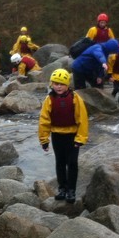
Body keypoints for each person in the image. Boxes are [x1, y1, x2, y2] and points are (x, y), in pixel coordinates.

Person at [38, 68, 89, 204]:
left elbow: (82, 120)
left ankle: (71, 190)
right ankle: (62, 188)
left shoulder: (75, 98)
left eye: (61, 84)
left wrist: (80, 138)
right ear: (52, 84)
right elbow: (44, 120)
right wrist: (44, 140)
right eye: (56, 83)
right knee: (60, 163)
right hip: (57, 136)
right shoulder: (49, 99)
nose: (58, 86)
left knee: (72, 163)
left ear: (67, 85)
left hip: (72, 136)